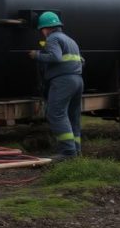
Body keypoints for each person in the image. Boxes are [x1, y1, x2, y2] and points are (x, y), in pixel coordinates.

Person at [28, 11, 84, 159]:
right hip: (77, 80)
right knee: (73, 116)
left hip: (63, 81)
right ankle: (76, 150)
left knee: (56, 113)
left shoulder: (52, 39)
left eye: (42, 30)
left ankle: (67, 152)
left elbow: (56, 57)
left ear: (45, 29)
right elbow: (82, 61)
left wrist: (36, 55)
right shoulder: (70, 40)